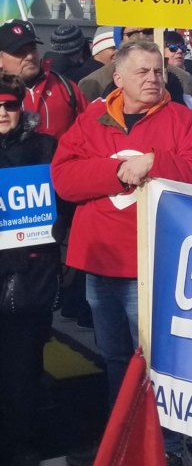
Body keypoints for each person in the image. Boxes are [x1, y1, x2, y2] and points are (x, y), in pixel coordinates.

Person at [51, 42, 192, 465]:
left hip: (154, 263)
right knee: (115, 359)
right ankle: (120, 441)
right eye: (142, 72)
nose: (153, 78)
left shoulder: (182, 121)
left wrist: (154, 161)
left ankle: (169, 448)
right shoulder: (91, 120)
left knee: (157, 362)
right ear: (118, 79)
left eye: (158, 71)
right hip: (99, 262)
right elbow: (64, 179)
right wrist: (115, 172)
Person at [0, 72, 69, 466]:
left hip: (30, 273)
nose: (3, 112)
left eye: (10, 104)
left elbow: (65, 196)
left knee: (23, 367)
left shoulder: (45, 146)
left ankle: (20, 442)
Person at [0, 19, 87, 139]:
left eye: (32, 49)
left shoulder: (65, 87)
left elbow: (90, 129)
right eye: (19, 52)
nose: (30, 56)